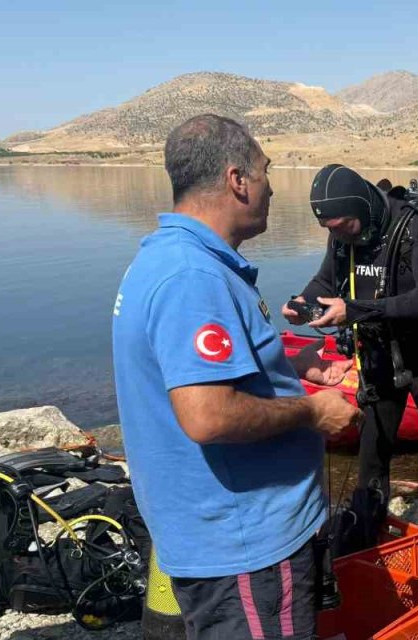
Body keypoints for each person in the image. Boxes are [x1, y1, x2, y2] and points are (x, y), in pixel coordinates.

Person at [112, 114, 363, 640]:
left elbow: (194, 373)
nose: (272, 186)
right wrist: (315, 410)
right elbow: (207, 415)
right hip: (244, 545)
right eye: (265, 171)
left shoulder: (170, 259)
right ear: (237, 180)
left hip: (228, 536)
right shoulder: (193, 277)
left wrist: (290, 366)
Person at [285, 165, 418, 516]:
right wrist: (302, 302)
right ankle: (367, 540)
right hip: (377, 358)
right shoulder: (342, 232)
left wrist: (355, 310)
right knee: (372, 458)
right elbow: (326, 281)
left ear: (362, 208)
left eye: (343, 226)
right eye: (330, 229)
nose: (339, 235)